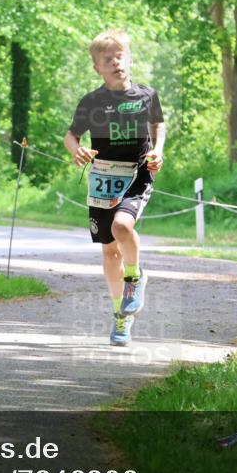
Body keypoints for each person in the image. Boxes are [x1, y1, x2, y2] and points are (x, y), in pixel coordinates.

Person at [63, 28, 166, 346]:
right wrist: (76, 150)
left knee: (123, 227)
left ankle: (135, 275)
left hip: (137, 174)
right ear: (98, 68)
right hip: (103, 178)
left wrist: (158, 150)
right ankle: (121, 317)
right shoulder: (92, 102)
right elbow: (71, 136)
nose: (115, 63)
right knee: (109, 253)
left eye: (120, 56)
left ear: (129, 59)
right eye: (107, 59)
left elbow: (158, 124)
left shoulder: (146, 96)